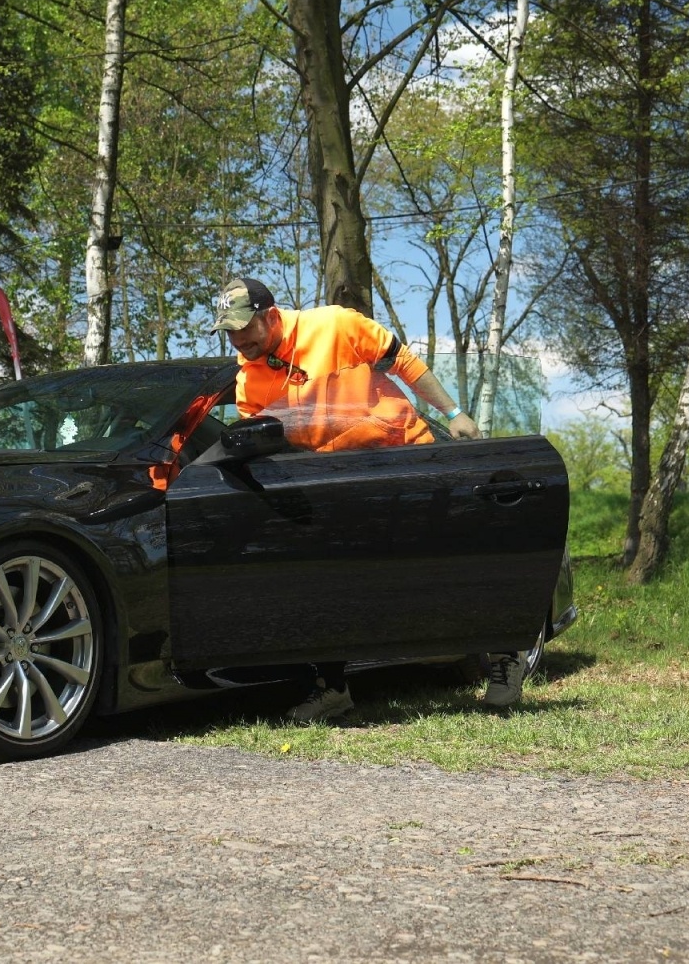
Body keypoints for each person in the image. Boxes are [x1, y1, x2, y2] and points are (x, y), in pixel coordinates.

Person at [208, 277, 525, 719]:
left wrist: (452, 413)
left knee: (446, 565)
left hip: (402, 459)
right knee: (332, 580)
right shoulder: (249, 383)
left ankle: (506, 655)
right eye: (230, 332)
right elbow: (264, 444)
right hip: (336, 482)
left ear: (271, 314)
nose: (240, 339)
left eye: (246, 327)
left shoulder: (334, 325)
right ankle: (332, 688)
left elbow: (401, 361)